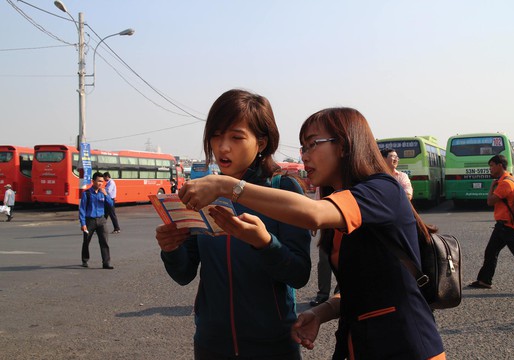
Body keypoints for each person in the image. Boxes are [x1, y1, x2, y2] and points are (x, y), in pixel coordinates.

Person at [179, 107, 446, 359]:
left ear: (343, 145)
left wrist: (228, 186)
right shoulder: (341, 203)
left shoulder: (382, 189)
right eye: (303, 147)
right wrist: (321, 312)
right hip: (361, 346)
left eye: (312, 144)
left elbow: (312, 215)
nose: (304, 155)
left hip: (407, 346)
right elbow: (360, 287)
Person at [155, 89, 311, 359]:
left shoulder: (283, 189)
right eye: (216, 136)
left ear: (261, 143)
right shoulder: (203, 193)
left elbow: (299, 273)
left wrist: (264, 244)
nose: (222, 147)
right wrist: (171, 249)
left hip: (272, 345)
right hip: (211, 343)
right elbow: (184, 274)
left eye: (236, 137)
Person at [469, 155, 514, 289]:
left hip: (506, 227)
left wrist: (492, 186)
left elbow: (490, 201)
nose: (490, 169)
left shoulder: (505, 183)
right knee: (490, 252)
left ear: (500, 165)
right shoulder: (509, 179)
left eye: (491, 166)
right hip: (503, 226)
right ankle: (484, 280)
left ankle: (485, 280)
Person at [79, 172, 115, 269]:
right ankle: (85, 260)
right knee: (86, 241)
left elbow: (111, 204)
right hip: (89, 220)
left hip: (101, 220)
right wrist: (83, 223)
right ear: (93, 181)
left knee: (104, 241)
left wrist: (106, 195)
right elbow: (82, 209)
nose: (100, 183)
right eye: (98, 181)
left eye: (102, 182)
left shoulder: (103, 193)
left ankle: (106, 262)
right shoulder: (86, 194)